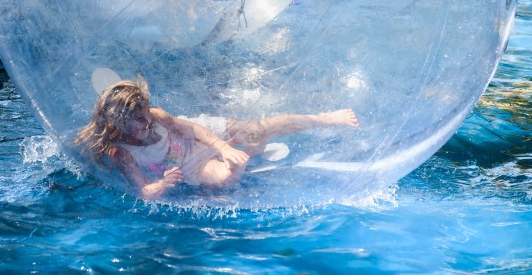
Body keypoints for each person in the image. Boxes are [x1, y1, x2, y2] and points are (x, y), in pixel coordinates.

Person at [75, 80, 359, 200]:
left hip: (201, 135)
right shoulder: (121, 153)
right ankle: (253, 151)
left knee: (257, 128)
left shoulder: (156, 116)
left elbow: (193, 130)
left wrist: (222, 146)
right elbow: (142, 191)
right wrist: (161, 185)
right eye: (139, 121)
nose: (148, 123)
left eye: (147, 114)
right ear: (119, 124)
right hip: (189, 165)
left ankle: (323, 118)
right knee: (228, 177)